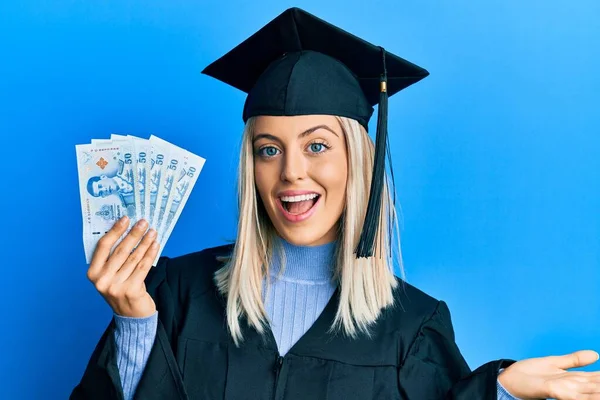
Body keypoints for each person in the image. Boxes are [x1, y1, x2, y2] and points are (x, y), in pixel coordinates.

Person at [70, 7, 599, 400]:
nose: (291, 171)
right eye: (268, 149)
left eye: (317, 145)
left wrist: (499, 390)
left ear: (359, 160)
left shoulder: (412, 325)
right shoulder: (173, 293)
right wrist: (136, 324)